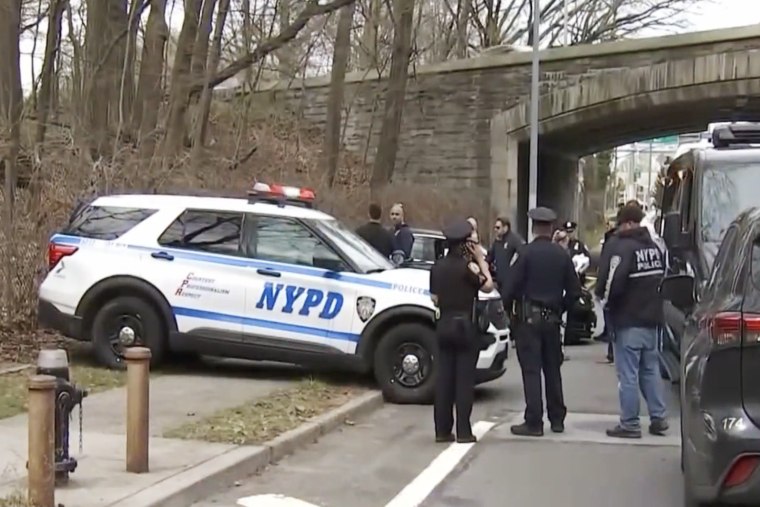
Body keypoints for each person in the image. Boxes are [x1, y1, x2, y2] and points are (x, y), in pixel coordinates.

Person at [500, 207, 582, 436]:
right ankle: (557, 419)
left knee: (532, 370)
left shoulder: (525, 254)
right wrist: (560, 309)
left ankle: (534, 421)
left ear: (534, 228)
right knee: (553, 370)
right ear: (551, 228)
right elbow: (575, 291)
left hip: (529, 319)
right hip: (553, 321)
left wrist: (510, 313)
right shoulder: (562, 256)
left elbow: (510, 288)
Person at [595, 204, 669, 439]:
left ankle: (630, 423)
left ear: (626, 223)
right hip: (653, 321)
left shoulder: (621, 248)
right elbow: (664, 279)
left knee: (627, 375)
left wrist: (604, 304)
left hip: (628, 321)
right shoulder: (655, 248)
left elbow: (610, 283)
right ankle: (658, 418)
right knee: (650, 370)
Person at [430, 219, 494, 443]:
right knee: (464, 381)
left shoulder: (437, 267)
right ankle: (464, 432)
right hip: (465, 327)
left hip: (444, 325)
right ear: (464, 244)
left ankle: (442, 430)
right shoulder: (467, 267)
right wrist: (480, 259)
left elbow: (435, 298)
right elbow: (487, 285)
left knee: (444, 379)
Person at [487, 216, 525, 291]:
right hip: (499, 282)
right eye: (495, 227)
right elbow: (490, 257)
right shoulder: (497, 242)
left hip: (511, 282)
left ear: (505, 228)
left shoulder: (514, 240)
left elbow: (521, 253)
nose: (495, 230)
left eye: (498, 228)